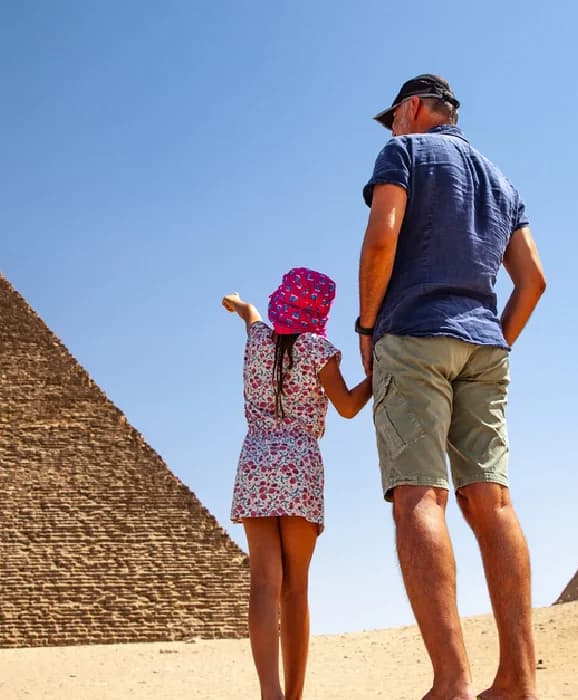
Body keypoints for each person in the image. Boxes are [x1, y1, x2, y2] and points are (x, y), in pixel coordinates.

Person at [357, 74, 548, 700]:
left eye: (394, 118)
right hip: (484, 343)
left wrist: (367, 326)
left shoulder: (404, 153)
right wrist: (496, 342)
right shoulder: (502, 180)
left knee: (420, 498)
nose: (392, 129)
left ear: (411, 109)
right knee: (492, 504)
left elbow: (382, 237)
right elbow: (533, 281)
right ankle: (518, 679)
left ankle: (451, 682)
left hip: (413, 335)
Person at [221, 268, 372, 700]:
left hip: (256, 463)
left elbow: (250, 314)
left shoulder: (258, 341)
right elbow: (345, 407)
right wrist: (376, 377)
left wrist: (237, 302)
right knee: (296, 587)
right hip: (300, 467)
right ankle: (294, 695)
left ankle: (269, 692)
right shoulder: (318, 351)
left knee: (264, 583)